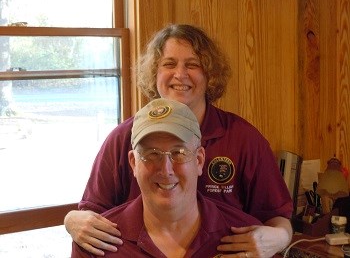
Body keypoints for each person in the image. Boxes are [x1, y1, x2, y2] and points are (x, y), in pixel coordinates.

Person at [65, 24, 293, 257]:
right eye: (169, 64)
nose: (180, 74)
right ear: (154, 72)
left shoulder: (243, 138)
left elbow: (276, 214)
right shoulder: (123, 138)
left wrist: (281, 237)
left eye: (192, 64)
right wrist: (71, 220)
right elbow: (91, 214)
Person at [71, 98, 264, 257]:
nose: (165, 169)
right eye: (151, 154)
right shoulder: (95, 244)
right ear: (133, 163)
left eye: (179, 152)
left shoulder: (249, 241)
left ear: (199, 160)